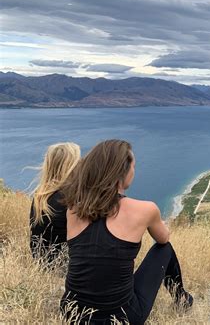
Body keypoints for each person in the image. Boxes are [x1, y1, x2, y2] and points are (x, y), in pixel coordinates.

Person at [60, 139, 192, 324]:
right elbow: (163, 239)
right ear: (121, 172)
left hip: (72, 313)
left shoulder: (73, 210)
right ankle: (182, 299)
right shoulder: (145, 209)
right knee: (165, 249)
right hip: (121, 318)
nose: (134, 171)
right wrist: (156, 222)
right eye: (133, 166)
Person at [30, 142, 81, 264]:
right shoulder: (69, 198)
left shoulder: (41, 195)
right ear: (71, 166)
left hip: (43, 263)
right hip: (66, 268)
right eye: (78, 160)